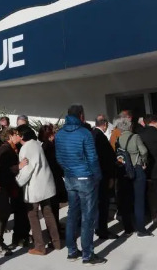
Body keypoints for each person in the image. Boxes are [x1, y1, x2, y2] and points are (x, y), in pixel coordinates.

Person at [55, 105, 106, 266]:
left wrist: (68, 170)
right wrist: (97, 176)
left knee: (72, 214)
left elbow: (59, 158)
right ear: (81, 115)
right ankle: (87, 255)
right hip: (85, 178)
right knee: (87, 217)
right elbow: (92, 158)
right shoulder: (85, 133)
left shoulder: (60, 134)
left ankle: (71, 251)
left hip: (70, 177)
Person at [15, 125, 61, 255]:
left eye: (17, 134)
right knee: (48, 212)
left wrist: (17, 182)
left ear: (22, 136)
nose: (15, 136)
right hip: (45, 184)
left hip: (35, 186)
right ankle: (56, 242)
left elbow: (27, 170)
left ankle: (40, 246)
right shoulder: (36, 144)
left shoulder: (26, 148)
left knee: (32, 215)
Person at [0, 128, 29, 256]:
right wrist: (19, 166)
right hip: (0, 186)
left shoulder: (10, 148)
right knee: (1, 215)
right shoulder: (5, 150)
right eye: (17, 134)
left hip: (5, 186)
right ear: (10, 136)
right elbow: (0, 169)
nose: (19, 136)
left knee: (5, 213)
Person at [114, 117, 150, 237]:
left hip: (124, 171)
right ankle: (141, 228)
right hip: (136, 168)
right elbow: (144, 151)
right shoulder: (135, 137)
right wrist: (143, 162)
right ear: (130, 126)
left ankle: (128, 228)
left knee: (125, 200)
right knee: (139, 200)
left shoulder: (118, 139)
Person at [91, 115, 117, 240]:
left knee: (97, 203)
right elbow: (108, 158)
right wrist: (111, 176)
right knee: (103, 204)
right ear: (105, 124)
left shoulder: (91, 135)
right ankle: (102, 230)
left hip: (94, 174)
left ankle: (98, 227)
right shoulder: (101, 137)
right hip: (102, 175)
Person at [39, 124, 65, 227]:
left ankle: (56, 226)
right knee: (54, 205)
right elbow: (55, 163)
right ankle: (55, 228)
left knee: (54, 205)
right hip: (53, 178)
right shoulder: (49, 147)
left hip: (50, 177)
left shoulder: (44, 146)